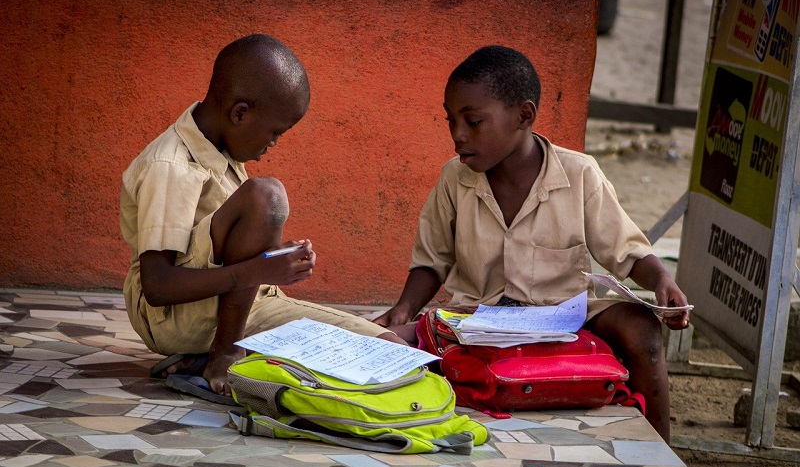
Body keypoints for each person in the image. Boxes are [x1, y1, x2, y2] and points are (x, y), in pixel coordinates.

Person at [374, 45, 690, 442]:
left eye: (473, 121)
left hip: (565, 316)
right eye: (450, 120)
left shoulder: (579, 174)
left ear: (524, 116)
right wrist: (402, 310)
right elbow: (432, 260)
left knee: (642, 330)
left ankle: (660, 446)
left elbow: (627, 250)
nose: (457, 135)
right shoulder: (455, 179)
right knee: (381, 342)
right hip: (478, 318)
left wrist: (661, 279)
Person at [121, 34, 406, 403]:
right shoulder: (171, 166)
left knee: (393, 349)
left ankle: (213, 355)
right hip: (173, 318)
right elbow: (157, 287)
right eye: (275, 132)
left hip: (241, 304)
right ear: (240, 113)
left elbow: (233, 252)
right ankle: (223, 355)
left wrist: (274, 259)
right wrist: (257, 270)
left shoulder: (222, 147)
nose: (274, 144)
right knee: (265, 197)